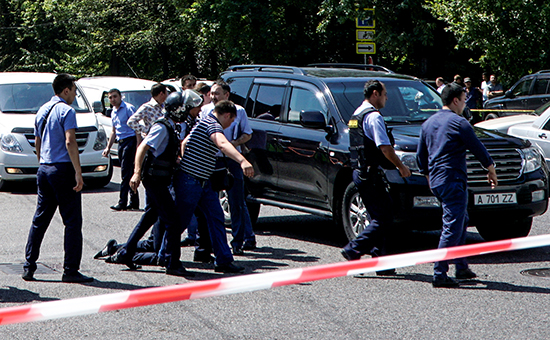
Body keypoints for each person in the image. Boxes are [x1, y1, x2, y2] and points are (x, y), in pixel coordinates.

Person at [416, 83, 498, 288]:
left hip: (437, 180)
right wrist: (490, 168)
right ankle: (439, 272)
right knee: (452, 224)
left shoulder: (428, 123)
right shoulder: (459, 123)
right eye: (463, 100)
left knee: (461, 220)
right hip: (452, 178)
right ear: (455, 101)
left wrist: (427, 175)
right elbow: (477, 148)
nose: (464, 104)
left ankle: (461, 266)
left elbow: (420, 156)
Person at [23, 73, 93, 283]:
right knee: (72, 221)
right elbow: (70, 142)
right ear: (65, 90)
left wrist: (41, 161)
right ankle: (70, 270)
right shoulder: (67, 111)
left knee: (40, 220)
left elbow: (37, 140)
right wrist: (78, 172)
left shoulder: (42, 109)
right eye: (73, 90)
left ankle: (29, 266)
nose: (74, 95)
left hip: (44, 167)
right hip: (62, 169)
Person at [127, 90, 204, 277]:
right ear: (178, 110)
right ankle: (172, 263)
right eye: (188, 109)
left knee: (151, 216)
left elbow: (166, 153)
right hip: (154, 180)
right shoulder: (162, 127)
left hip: (160, 179)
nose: (192, 111)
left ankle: (126, 252)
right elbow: (143, 147)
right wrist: (136, 173)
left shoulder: (172, 125)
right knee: (173, 221)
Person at [174, 100, 254, 273]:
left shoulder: (203, 121)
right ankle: (166, 257)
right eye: (231, 121)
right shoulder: (212, 124)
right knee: (180, 222)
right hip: (191, 180)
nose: (230, 125)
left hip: (202, 181)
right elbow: (223, 144)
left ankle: (223, 260)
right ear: (227, 115)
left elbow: (185, 143)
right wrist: (242, 161)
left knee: (216, 217)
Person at [340, 80, 411, 275]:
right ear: (375, 93)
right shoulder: (374, 117)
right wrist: (401, 166)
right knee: (385, 217)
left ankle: (381, 262)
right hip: (370, 174)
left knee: (378, 216)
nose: (387, 97)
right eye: (385, 94)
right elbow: (385, 148)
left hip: (360, 171)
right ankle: (354, 249)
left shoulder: (357, 114)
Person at [200, 80, 257, 255]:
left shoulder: (238, 111)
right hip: (212, 159)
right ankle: (209, 242)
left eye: (217, 93)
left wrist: (233, 144)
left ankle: (238, 241)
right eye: (211, 93)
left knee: (236, 202)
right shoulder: (205, 110)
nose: (213, 96)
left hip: (232, 160)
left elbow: (248, 134)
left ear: (227, 95)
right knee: (208, 201)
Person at [103, 89, 139, 211]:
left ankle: (122, 202)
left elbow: (137, 128)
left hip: (130, 140)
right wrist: (108, 147)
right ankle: (134, 201)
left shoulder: (129, 108)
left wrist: (139, 146)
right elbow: (114, 131)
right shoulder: (113, 111)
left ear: (120, 97)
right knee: (128, 173)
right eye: (110, 97)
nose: (113, 99)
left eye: (115, 97)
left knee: (125, 173)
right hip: (121, 142)